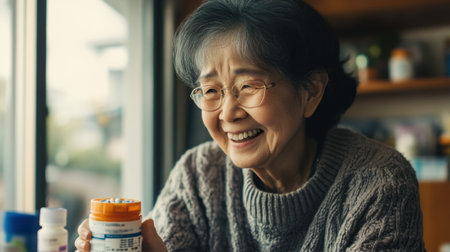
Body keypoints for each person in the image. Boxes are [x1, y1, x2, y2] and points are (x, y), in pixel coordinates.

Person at [75, 0, 425, 251]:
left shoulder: (377, 184)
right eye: (211, 90)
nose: (228, 113)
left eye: (247, 86)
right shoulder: (200, 176)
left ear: (310, 91)